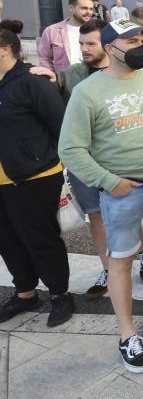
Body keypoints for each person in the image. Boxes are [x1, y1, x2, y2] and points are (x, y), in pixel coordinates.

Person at [59, 19, 143, 374]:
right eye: (130, 41)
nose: (139, 46)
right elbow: (70, 147)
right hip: (122, 190)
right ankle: (127, 333)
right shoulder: (88, 91)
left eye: (140, 39)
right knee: (121, 260)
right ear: (110, 47)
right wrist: (107, 181)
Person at [30, 19, 143, 300]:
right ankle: (108, 269)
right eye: (81, 43)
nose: (84, 49)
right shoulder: (72, 75)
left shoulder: (135, 72)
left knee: (135, 213)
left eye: (91, 44)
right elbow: (50, 90)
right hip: (86, 165)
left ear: (108, 46)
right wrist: (41, 75)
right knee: (96, 216)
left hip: (122, 161)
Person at [0, 20, 74, 327]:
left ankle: (60, 294)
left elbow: (60, 126)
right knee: (7, 239)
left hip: (34, 175)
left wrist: (56, 160)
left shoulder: (31, 81)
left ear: (5, 50)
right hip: (3, 178)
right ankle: (26, 292)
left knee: (40, 238)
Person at [37, 0, 94, 72]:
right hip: (63, 81)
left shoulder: (97, 30)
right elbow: (44, 58)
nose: (89, 12)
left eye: (91, 9)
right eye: (84, 8)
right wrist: (53, 77)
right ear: (71, 8)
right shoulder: (51, 31)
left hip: (91, 78)